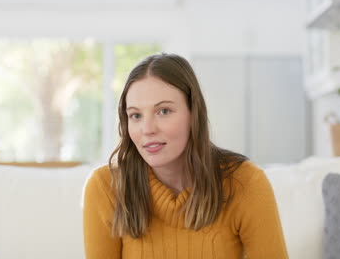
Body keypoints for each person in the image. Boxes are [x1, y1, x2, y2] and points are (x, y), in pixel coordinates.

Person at [83, 53, 289, 259]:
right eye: (135, 115)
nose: (147, 129)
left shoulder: (246, 183)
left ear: (193, 114)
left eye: (163, 111)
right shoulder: (105, 187)